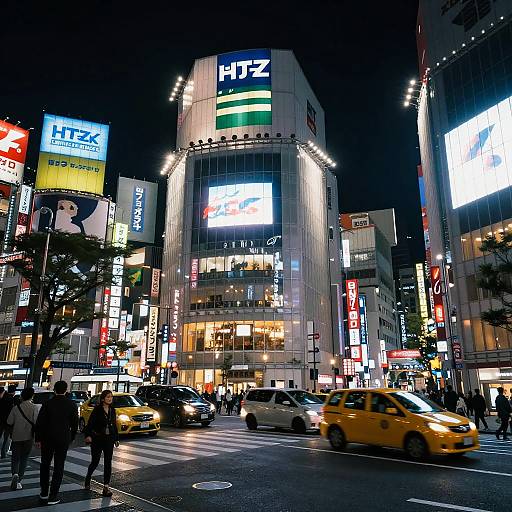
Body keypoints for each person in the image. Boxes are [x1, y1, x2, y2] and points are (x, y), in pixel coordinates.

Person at [35, 380, 78, 505]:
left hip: (47, 437)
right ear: (66, 390)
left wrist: (38, 439)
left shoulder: (47, 403)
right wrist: (72, 437)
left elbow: (40, 422)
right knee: (59, 465)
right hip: (63, 438)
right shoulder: (71, 404)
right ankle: (53, 495)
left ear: (54, 390)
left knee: (45, 464)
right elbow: (74, 424)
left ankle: (44, 493)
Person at [83, 390, 119, 497]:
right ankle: (88, 477)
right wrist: (88, 436)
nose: (110, 399)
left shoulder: (112, 410)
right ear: (103, 399)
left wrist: (116, 438)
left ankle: (106, 487)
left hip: (109, 439)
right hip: (98, 438)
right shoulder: (97, 410)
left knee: (108, 462)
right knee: (95, 461)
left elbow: (114, 424)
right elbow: (90, 424)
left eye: (111, 397)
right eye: (108, 397)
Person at [7, 387, 40, 490]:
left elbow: (9, 422)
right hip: (28, 437)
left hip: (16, 437)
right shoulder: (35, 408)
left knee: (15, 458)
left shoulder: (16, 408)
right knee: (24, 458)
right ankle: (19, 480)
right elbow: (36, 422)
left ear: (22, 396)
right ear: (32, 396)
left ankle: (14, 474)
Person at [0, 384, 17, 458]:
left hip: (0, 421)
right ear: (14, 392)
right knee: (6, 439)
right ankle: (3, 453)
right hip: (9, 422)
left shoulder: (2, 398)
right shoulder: (13, 400)